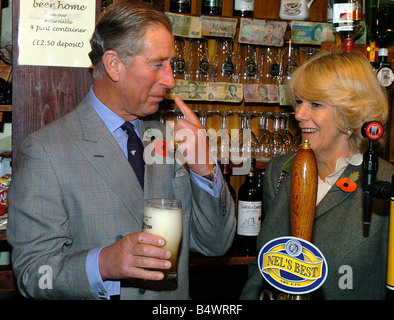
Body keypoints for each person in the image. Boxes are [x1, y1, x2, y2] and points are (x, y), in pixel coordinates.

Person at [7, 1, 235, 300]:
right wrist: (104, 264)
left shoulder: (167, 139)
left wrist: (204, 169)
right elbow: (32, 275)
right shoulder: (46, 151)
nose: (170, 80)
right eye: (157, 65)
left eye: (170, 65)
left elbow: (216, 244)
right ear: (114, 65)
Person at [240, 50, 393, 300]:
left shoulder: (383, 182)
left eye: (316, 104)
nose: (299, 115)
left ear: (349, 113)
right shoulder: (280, 171)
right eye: (299, 102)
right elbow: (260, 270)